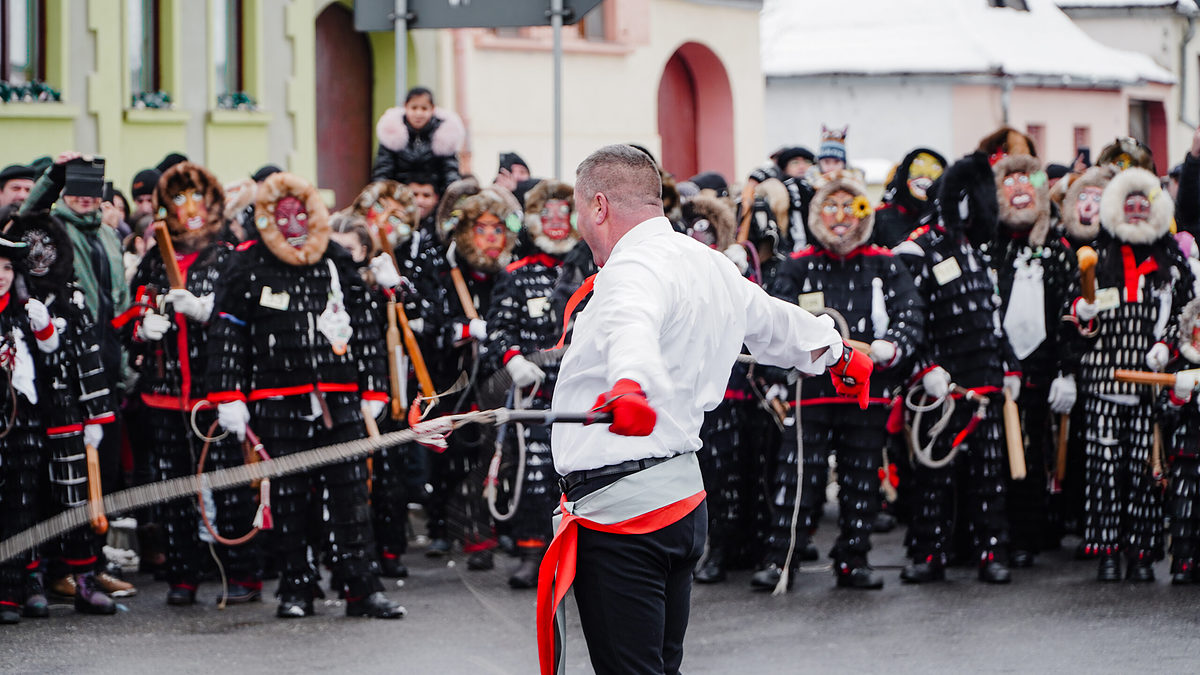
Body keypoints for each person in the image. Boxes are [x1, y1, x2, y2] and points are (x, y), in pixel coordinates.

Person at [537, 144, 870, 675]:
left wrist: (630, 385)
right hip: (678, 504)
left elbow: (632, 327)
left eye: (581, 211)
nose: (581, 225)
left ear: (598, 206)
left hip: (627, 516)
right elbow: (776, 324)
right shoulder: (707, 263)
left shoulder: (632, 270)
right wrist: (837, 352)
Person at [207, 172, 403, 619]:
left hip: (340, 401)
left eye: (301, 213)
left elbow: (367, 329)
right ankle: (296, 587)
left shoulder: (334, 260)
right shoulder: (247, 264)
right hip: (278, 402)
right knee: (289, 498)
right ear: (268, 219)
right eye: (283, 215)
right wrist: (227, 394)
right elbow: (227, 334)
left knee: (352, 497)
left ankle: (362, 588)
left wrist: (373, 388)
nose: (293, 223)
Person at [124, 161, 262, 605]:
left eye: (196, 197)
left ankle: (243, 574)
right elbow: (131, 312)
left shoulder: (230, 253)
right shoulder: (154, 256)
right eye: (178, 200)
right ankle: (183, 576)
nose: (189, 209)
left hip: (214, 390)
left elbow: (248, 320)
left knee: (230, 484)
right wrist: (142, 328)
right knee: (173, 489)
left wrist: (205, 312)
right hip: (164, 393)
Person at [1067, 166, 1193, 582]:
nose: (1137, 212)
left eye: (1144, 205)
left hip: (1148, 386)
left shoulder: (1170, 264)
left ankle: (1141, 552)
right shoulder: (1097, 258)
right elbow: (1071, 321)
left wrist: (1168, 345)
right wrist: (1081, 315)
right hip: (1103, 381)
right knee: (1103, 469)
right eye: (1130, 205)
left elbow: (1187, 314)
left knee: (1143, 470)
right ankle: (1106, 551)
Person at [372, 86, 464, 193]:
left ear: (432, 109)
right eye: (414, 108)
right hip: (400, 198)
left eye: (424, 108)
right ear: (405, 107)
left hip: (434, 199)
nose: (419, 113)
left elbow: (450, 172)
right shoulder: (391, 136)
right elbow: (383, 170)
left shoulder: (444, 136)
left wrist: (451, 198)